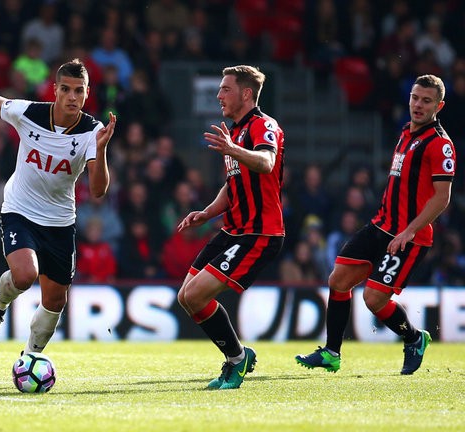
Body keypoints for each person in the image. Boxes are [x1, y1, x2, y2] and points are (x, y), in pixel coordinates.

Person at [0, 58, 116, 355]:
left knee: (55, 302)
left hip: (60, 221)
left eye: (79, 91)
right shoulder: (30, 113)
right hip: (20, 210)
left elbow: (99, 190)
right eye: (66, 89)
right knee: (25, 275)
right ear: (55, 90)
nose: (72, 97)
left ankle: (30, 356)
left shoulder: (93, 132)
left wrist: (101, 150)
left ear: (87, 94)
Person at [296, 74, 456, 375]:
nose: (418, 105)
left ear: (439, 105)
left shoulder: (440, 145)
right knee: (338, 280)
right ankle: (332, 353)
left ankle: (413, 338)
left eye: (426, 101)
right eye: (415, 98)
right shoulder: (405, 132)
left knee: (373, 298)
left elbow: (442, 198)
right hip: (380, 225)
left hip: (411, 235)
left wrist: (408, 230)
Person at [175, 65, 285, 390]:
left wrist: (233, 149)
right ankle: (239, 357)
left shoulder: (264, 126)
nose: (219, 95)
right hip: (232, 230)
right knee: (186, 297)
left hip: (259, 233)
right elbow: (232, 183)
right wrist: (207, 212)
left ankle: (236, 361)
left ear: (246, 93)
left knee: (195, 294)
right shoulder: (235, 132)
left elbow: (266, 162)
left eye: (225, 89)